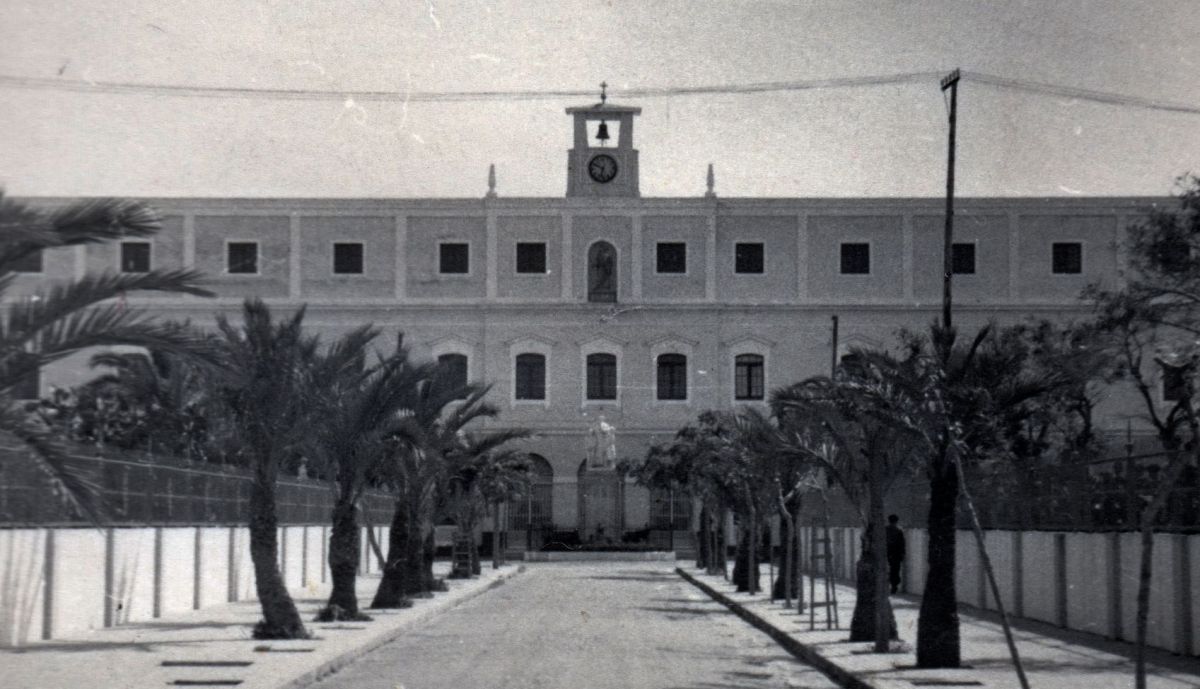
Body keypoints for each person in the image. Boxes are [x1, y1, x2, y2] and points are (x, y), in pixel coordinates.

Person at [886, 514, 906, 594]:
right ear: (896, 521)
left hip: (887, 553)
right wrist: (903, 554)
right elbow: (902, 544)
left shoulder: (885, 530)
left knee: (888, 569)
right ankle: (894, 586)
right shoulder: (898, 531)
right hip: (896, 554)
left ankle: (889, 584)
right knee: (895, 570)